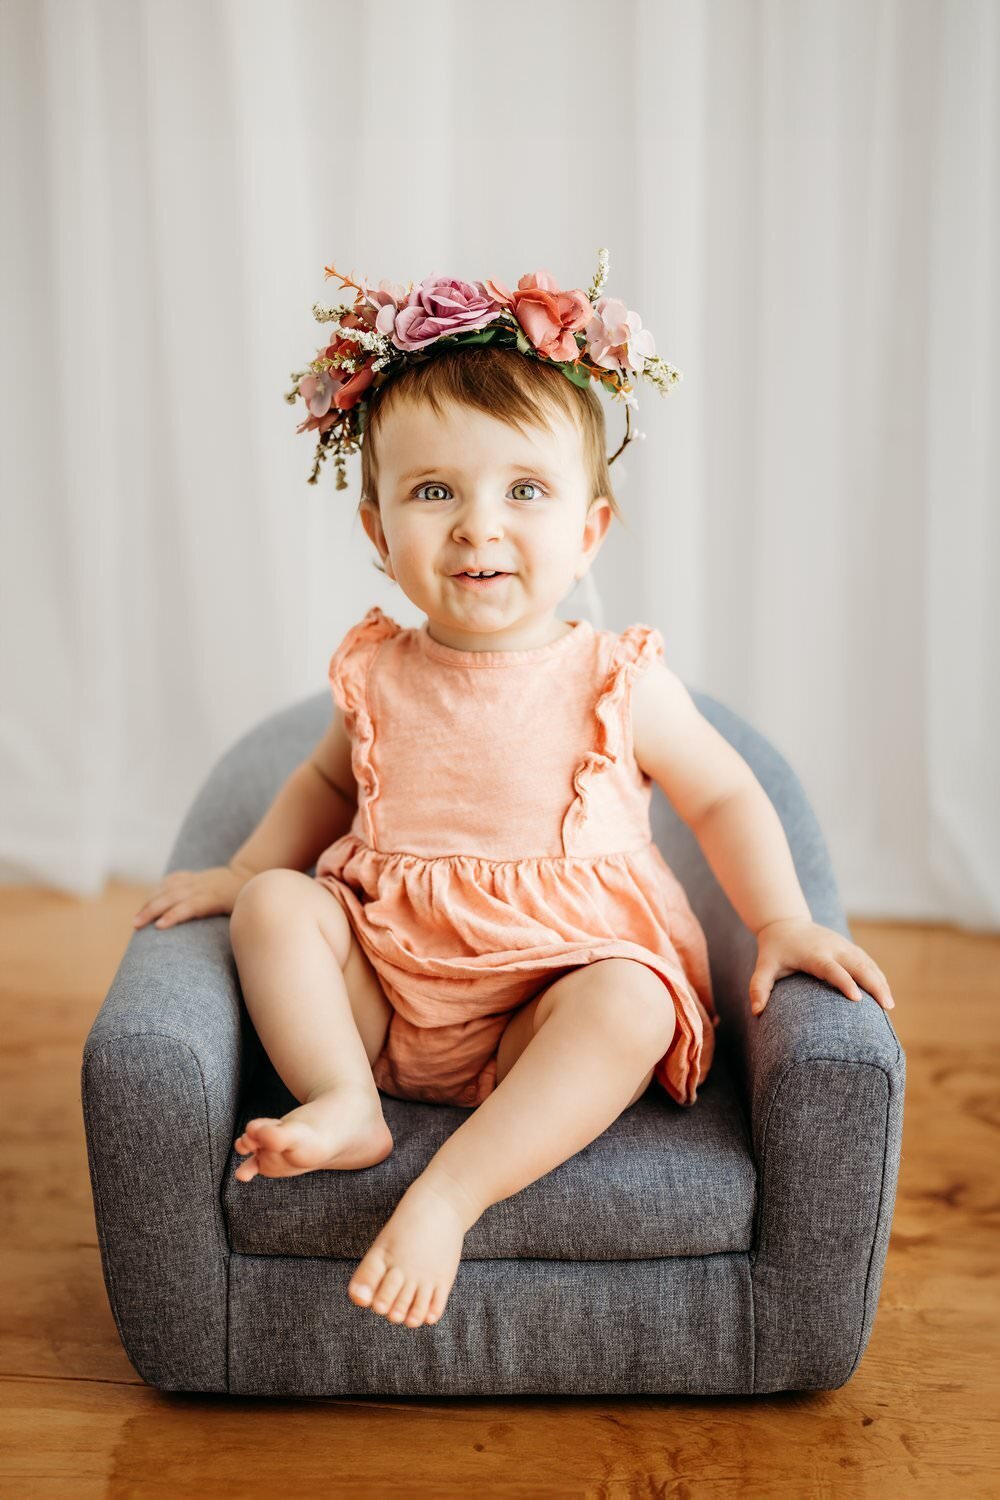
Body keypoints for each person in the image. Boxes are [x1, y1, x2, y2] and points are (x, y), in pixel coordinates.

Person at [132, 252, 896, 1333]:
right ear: (378, 533)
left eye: (524, 491)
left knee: (629, 1003)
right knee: (275, 909)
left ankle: (450, 1192)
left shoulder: (617, 679)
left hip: (547, 1006)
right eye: (433, 491)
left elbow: (723, 796)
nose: (478, 526)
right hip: (391, 998)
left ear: (587, 532)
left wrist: (781, 921)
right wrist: (248, 868)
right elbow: (319, 783)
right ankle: (347, 1100)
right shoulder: (376, 670)